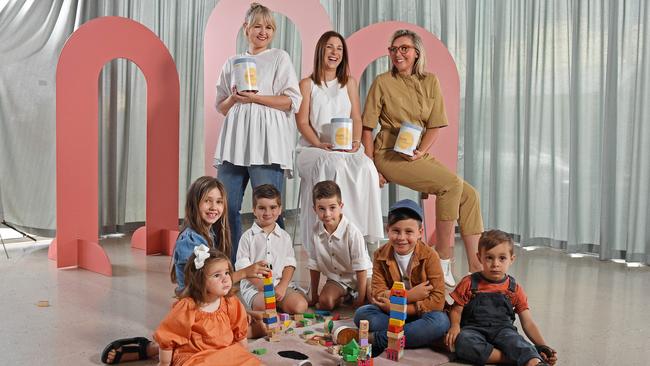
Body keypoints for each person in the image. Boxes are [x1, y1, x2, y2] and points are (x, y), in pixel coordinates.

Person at [361, 29, 484, 287]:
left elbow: (436, 125)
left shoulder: (431, 81)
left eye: (403, 48)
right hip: (389, 154)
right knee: (450, 185)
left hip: (415, 154)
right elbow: (367, 128)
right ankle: (443, 259)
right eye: (393, 49)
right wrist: (373, 167)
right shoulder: (382, 82)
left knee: (469, 194)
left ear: (417, 53)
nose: (398, 54)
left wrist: (421, 151)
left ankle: (476, 268)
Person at [101, 177, 269, 364]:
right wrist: (245, 273)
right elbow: (207, 282)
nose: (214, 207)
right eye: (208, 200)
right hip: (196, 305)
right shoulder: (191, 240)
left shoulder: (211, 233)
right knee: (199, 345)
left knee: (240, 325)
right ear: (194, 203)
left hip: (212, 299)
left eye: (219, 202)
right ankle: (149, 349)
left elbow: (219, 284)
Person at [215, 2, 302, 263]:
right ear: (246, 28)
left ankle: (278, 266)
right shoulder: (232, 62)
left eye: (269, 27)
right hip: (234, 143)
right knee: (225, 207)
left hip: (267, 143)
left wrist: (255, 98)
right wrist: (234, 98)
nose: (263, 32)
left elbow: (290, 101)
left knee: (269, 210)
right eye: (257, 26)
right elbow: (221, 106)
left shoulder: (279, 58)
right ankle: (230, 265)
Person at [295, 30, 383, 256]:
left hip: (345, 145)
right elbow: (302, 122)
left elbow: (356, 116)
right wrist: (318, 143)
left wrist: (355, 141)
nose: (335, 53)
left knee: (367, 168)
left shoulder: (349, 83)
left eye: (340, 49)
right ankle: (334, 230)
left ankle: (357, 233)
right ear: (320, 51)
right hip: (313, 147)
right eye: (330, 47)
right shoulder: (307, 84)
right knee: (335, 165)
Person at [339, 199, 449, 357]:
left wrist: (399, 307)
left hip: (421, 314)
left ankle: (378, 339)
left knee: (440, 322)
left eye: (409, 232)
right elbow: (377, 294)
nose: (401, 237)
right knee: (362, 314)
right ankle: (415, 336)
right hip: (392, 315)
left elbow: (437, 301)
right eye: (396, 231)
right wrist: (409, 296)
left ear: (420, 232)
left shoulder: (430, 256)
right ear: (387, 230)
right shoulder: (380, 254)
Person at [445, 230, 558, 366]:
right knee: (462, 341)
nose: (495, 264)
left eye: (502, 258)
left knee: (516, 341)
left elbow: (528, 322)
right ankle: (512, 358)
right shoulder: (469, 283)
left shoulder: (514, 288)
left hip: (503, 330)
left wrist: (543, 346)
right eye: (489, 258)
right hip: (473, 329)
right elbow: (456, 310)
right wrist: (455, 326)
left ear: (512, 259)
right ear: (479, 257)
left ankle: (534, 362)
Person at [154, 246, 261, 366]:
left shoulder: (231, 302)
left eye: (227, 273)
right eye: (217, 275)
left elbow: (240, 332)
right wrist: (164, 363)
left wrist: (242, 357)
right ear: (200, 280)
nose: (225, 279)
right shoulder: (188, 307)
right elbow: (168, 337)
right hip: (195, 356)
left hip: (224, 352)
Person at [235, 184, 308, 314]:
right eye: (262, 208)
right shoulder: (247, 237)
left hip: (280, 286)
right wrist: (264, 287)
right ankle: (274, 305)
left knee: (300, 306)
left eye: (273, 207)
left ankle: (280, 303)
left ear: (280, 209)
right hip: (256, 288)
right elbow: (243, 268)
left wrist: (283, 286)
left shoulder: (284, 236)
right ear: (254, 210)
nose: (267, 213)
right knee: (267, 305)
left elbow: (289, 264)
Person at [307, 180, 373, 310]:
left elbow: (361, 268)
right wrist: (314, 295)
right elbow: (314, 265)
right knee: (325, 302)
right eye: (321, 209)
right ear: (314, 209)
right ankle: (346, 296)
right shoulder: (315, 231)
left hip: (362, 278)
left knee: (373, 297)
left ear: (340, 205)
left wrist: (360, 299)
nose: (327, 214)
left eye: (332, 208)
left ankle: (357, 295)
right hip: (337, 280)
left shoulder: (352, 232)